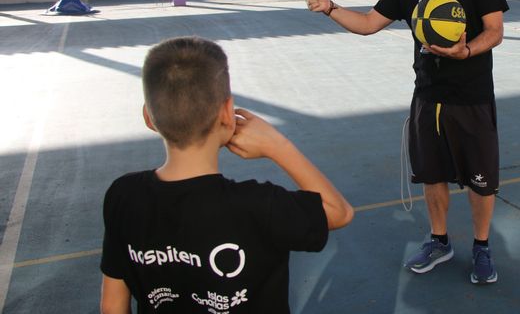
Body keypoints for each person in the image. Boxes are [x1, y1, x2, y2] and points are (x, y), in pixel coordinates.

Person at [295, 0, 509, 285]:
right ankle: (440, 241)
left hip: (472, 96)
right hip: (427, 96)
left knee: (480, 180)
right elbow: (366, 24)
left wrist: (467, 51)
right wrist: (329, 8)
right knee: (432, 176)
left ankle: (481, 246)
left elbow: (494, 30)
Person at [100, 36, 354, 314]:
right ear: (227, 112)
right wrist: (278, 146)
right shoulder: (260, 205)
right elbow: (339, 212)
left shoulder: (123, 196)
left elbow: (113, 305)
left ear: (149, 117)